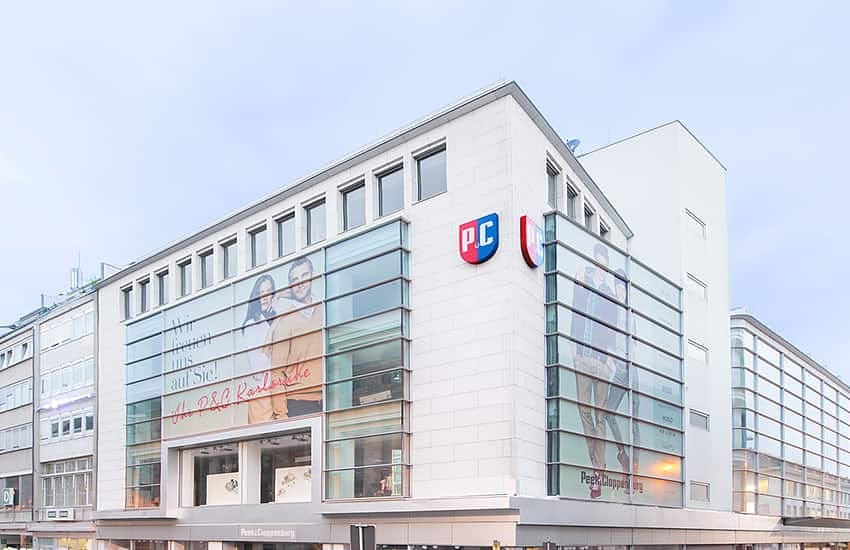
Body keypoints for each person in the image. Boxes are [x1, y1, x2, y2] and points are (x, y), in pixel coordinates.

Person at [570, 243, 616, 498]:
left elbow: (613, 328)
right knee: (584, 411)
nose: (599, 268)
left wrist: (608, 358)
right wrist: (574, 350)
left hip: (600, 361)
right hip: (583, 357)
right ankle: (599, 465)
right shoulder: (583, 287)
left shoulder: (609, 293)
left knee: (600, 416)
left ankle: (597, 471)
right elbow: (574, 315)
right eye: (596, 263)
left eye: (603, 264)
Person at [262, 257, 323, 420]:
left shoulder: (325, 309)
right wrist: (282, 416)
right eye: (295, 280)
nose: (300, 283)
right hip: (299, 402)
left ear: (313, 276)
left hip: (329, 397)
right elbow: (277, 373)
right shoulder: (285, 322)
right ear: (290, 285)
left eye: (304, 276)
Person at [602, 271, 631, 476]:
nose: (620, 291)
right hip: (618, 367)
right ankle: (623, 453)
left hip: (628, 369)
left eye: (623, 288)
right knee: (608, 412)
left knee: (622, 415)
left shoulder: (629, 315)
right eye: (617, 287)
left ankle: (628, 458)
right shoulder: (612, 312)